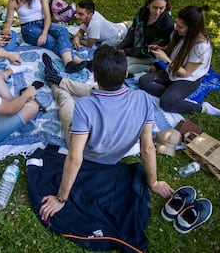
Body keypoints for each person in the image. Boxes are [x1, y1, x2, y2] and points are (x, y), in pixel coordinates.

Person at [39, 46, 173, 221]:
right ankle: (60, 80)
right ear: (126, 74)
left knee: (64, 98)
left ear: (95, 76)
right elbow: (147, 148)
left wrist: (61, 198)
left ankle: (55, 82)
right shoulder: (143, 99)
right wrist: (153, 183)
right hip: (114, 151)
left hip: (89, 152)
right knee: (91, 91)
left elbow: (75, 157)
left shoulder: (84, 106)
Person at [138, 5, 220, 117]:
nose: (176, 28)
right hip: (173, 71)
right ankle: (173, 96)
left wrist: (166, 60)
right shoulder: (179, 33)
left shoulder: (201, 47)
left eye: (181, 27)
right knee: (143, 81)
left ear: (192, 29)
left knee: (165, 103)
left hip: (187, 79)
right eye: (177, 24)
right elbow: (171, 49)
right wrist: (159, 49)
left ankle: (202, 108)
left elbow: (185, 73)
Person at [3, 0, 87, 74]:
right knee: (52, 41)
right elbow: (8, 21)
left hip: (43, 23)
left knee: (63, 30)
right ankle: (72, 62)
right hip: (28, 29)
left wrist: (44, 33)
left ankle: (70, 63)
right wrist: (6, 29)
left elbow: (47, 16)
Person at [118, 0, 174, 75]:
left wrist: (125, 52)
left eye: (161, 8)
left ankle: (152, 67)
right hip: (134, 46)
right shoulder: (142, 13)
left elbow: (150, 50)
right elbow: (132, 32)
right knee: (107, 44)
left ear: (166, 6)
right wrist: (120, 48)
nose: (158, 12)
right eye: (155, 7)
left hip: (149, 55)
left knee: (123, 64)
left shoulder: (167, 24)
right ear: (149, 4)